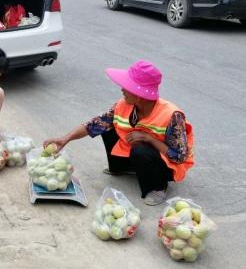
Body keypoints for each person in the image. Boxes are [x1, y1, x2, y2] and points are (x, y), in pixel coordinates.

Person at [44, 60, 194, 205]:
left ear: (139, 94)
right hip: (139, 152)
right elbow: (94, 124)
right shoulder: (123, 105)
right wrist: (65, 139)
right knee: (107, 127)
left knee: (140, 150)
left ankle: (158, 187)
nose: (122, 89)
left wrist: (149, 139)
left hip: (165, 164)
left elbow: (179, 156)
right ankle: (122, 167)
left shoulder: (172, 115)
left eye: (127, 86)